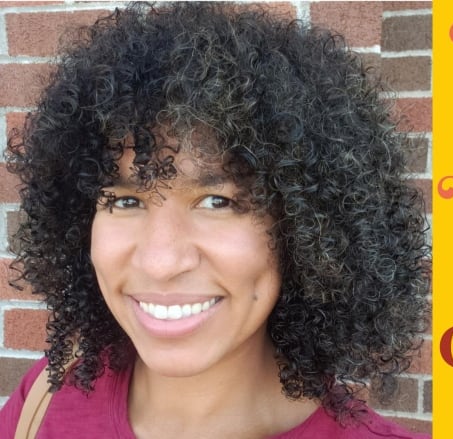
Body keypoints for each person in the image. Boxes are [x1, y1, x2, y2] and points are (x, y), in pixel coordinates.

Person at [0, 2, 430, 438]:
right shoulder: (45, 399)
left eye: (217, 201)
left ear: (307, 233)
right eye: (126, 202)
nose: (160, 262)